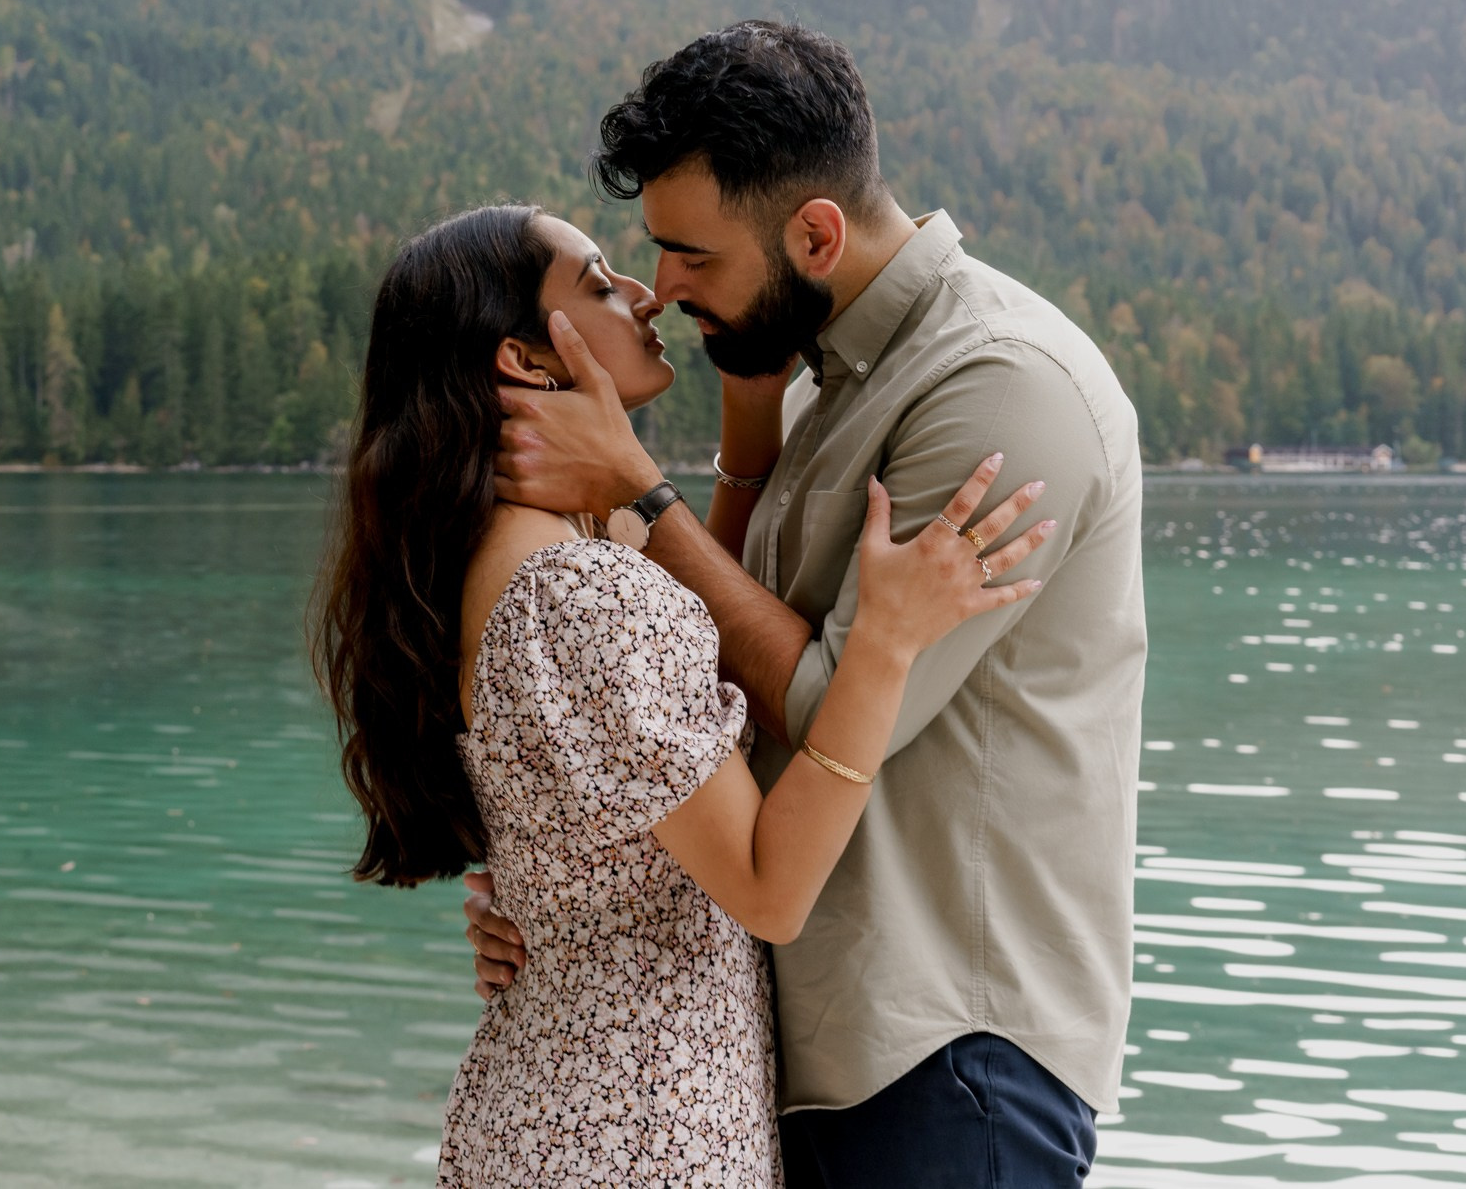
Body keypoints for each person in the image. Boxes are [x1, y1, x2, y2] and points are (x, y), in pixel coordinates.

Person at [468, 21, 1147, 1187]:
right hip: (793, 1045)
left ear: (814, 234)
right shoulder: (822, 379)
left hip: (944, 1053)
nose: (662, 288)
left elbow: (829, 702)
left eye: (691, 256)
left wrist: (639, 485)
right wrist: (564, 896)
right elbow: (704, 695)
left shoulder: (998, 391)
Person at [313, 202, 1052, 1186]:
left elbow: (677, 646)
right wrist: (884, 640)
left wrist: (742, 432)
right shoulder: (583, 590)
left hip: (559, 1104)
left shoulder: (517, 553)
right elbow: (768, 886)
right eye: (593, 279)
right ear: (525, 361)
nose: (640, 290)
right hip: (641, 1132)